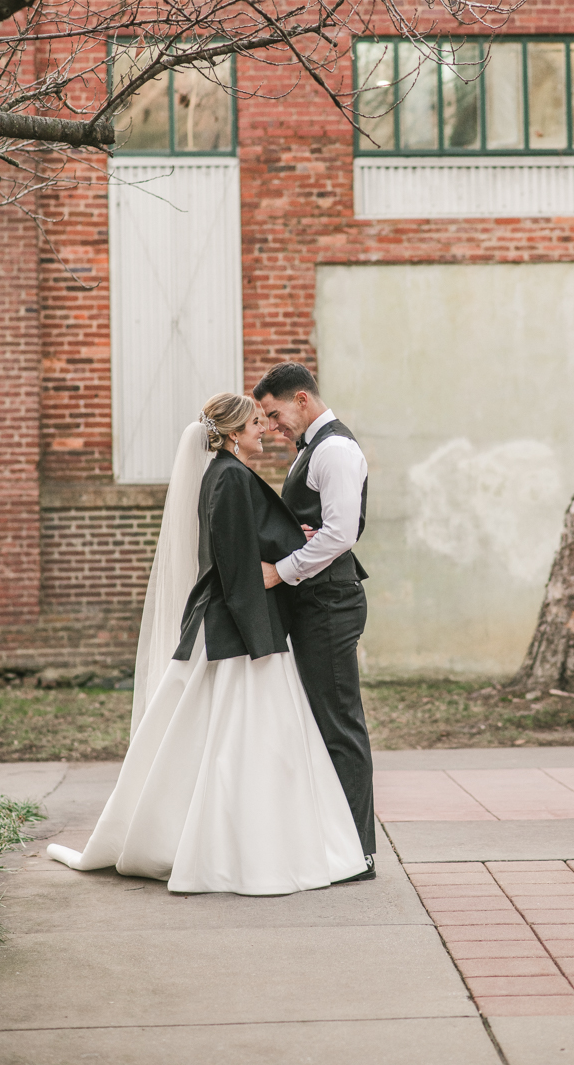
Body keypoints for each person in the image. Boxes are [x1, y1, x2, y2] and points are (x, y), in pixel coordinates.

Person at [46, 393, 367, 895]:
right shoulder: (231, 478)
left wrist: (294, 540)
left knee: (224, 739)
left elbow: (253, 539)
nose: (264, 429)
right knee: (245, 744)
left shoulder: (224, 474)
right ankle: (236, 853)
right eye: (256, 423)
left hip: (239, 627)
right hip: (242, 633)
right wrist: (266, 633)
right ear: (234, 432)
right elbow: (239, 566)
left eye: (266, 420)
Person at [252, 363, 376, 878]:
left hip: (330, 605)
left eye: (275, 414)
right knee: (326, 723)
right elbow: (322, 526)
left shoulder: (335, 451)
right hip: (317, 602)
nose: (273, 426)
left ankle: (358, 854)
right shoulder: (313, 451)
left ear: (301, 399)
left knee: (340, 724)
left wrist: (280, 571)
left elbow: (341, 533)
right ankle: (338, 844)